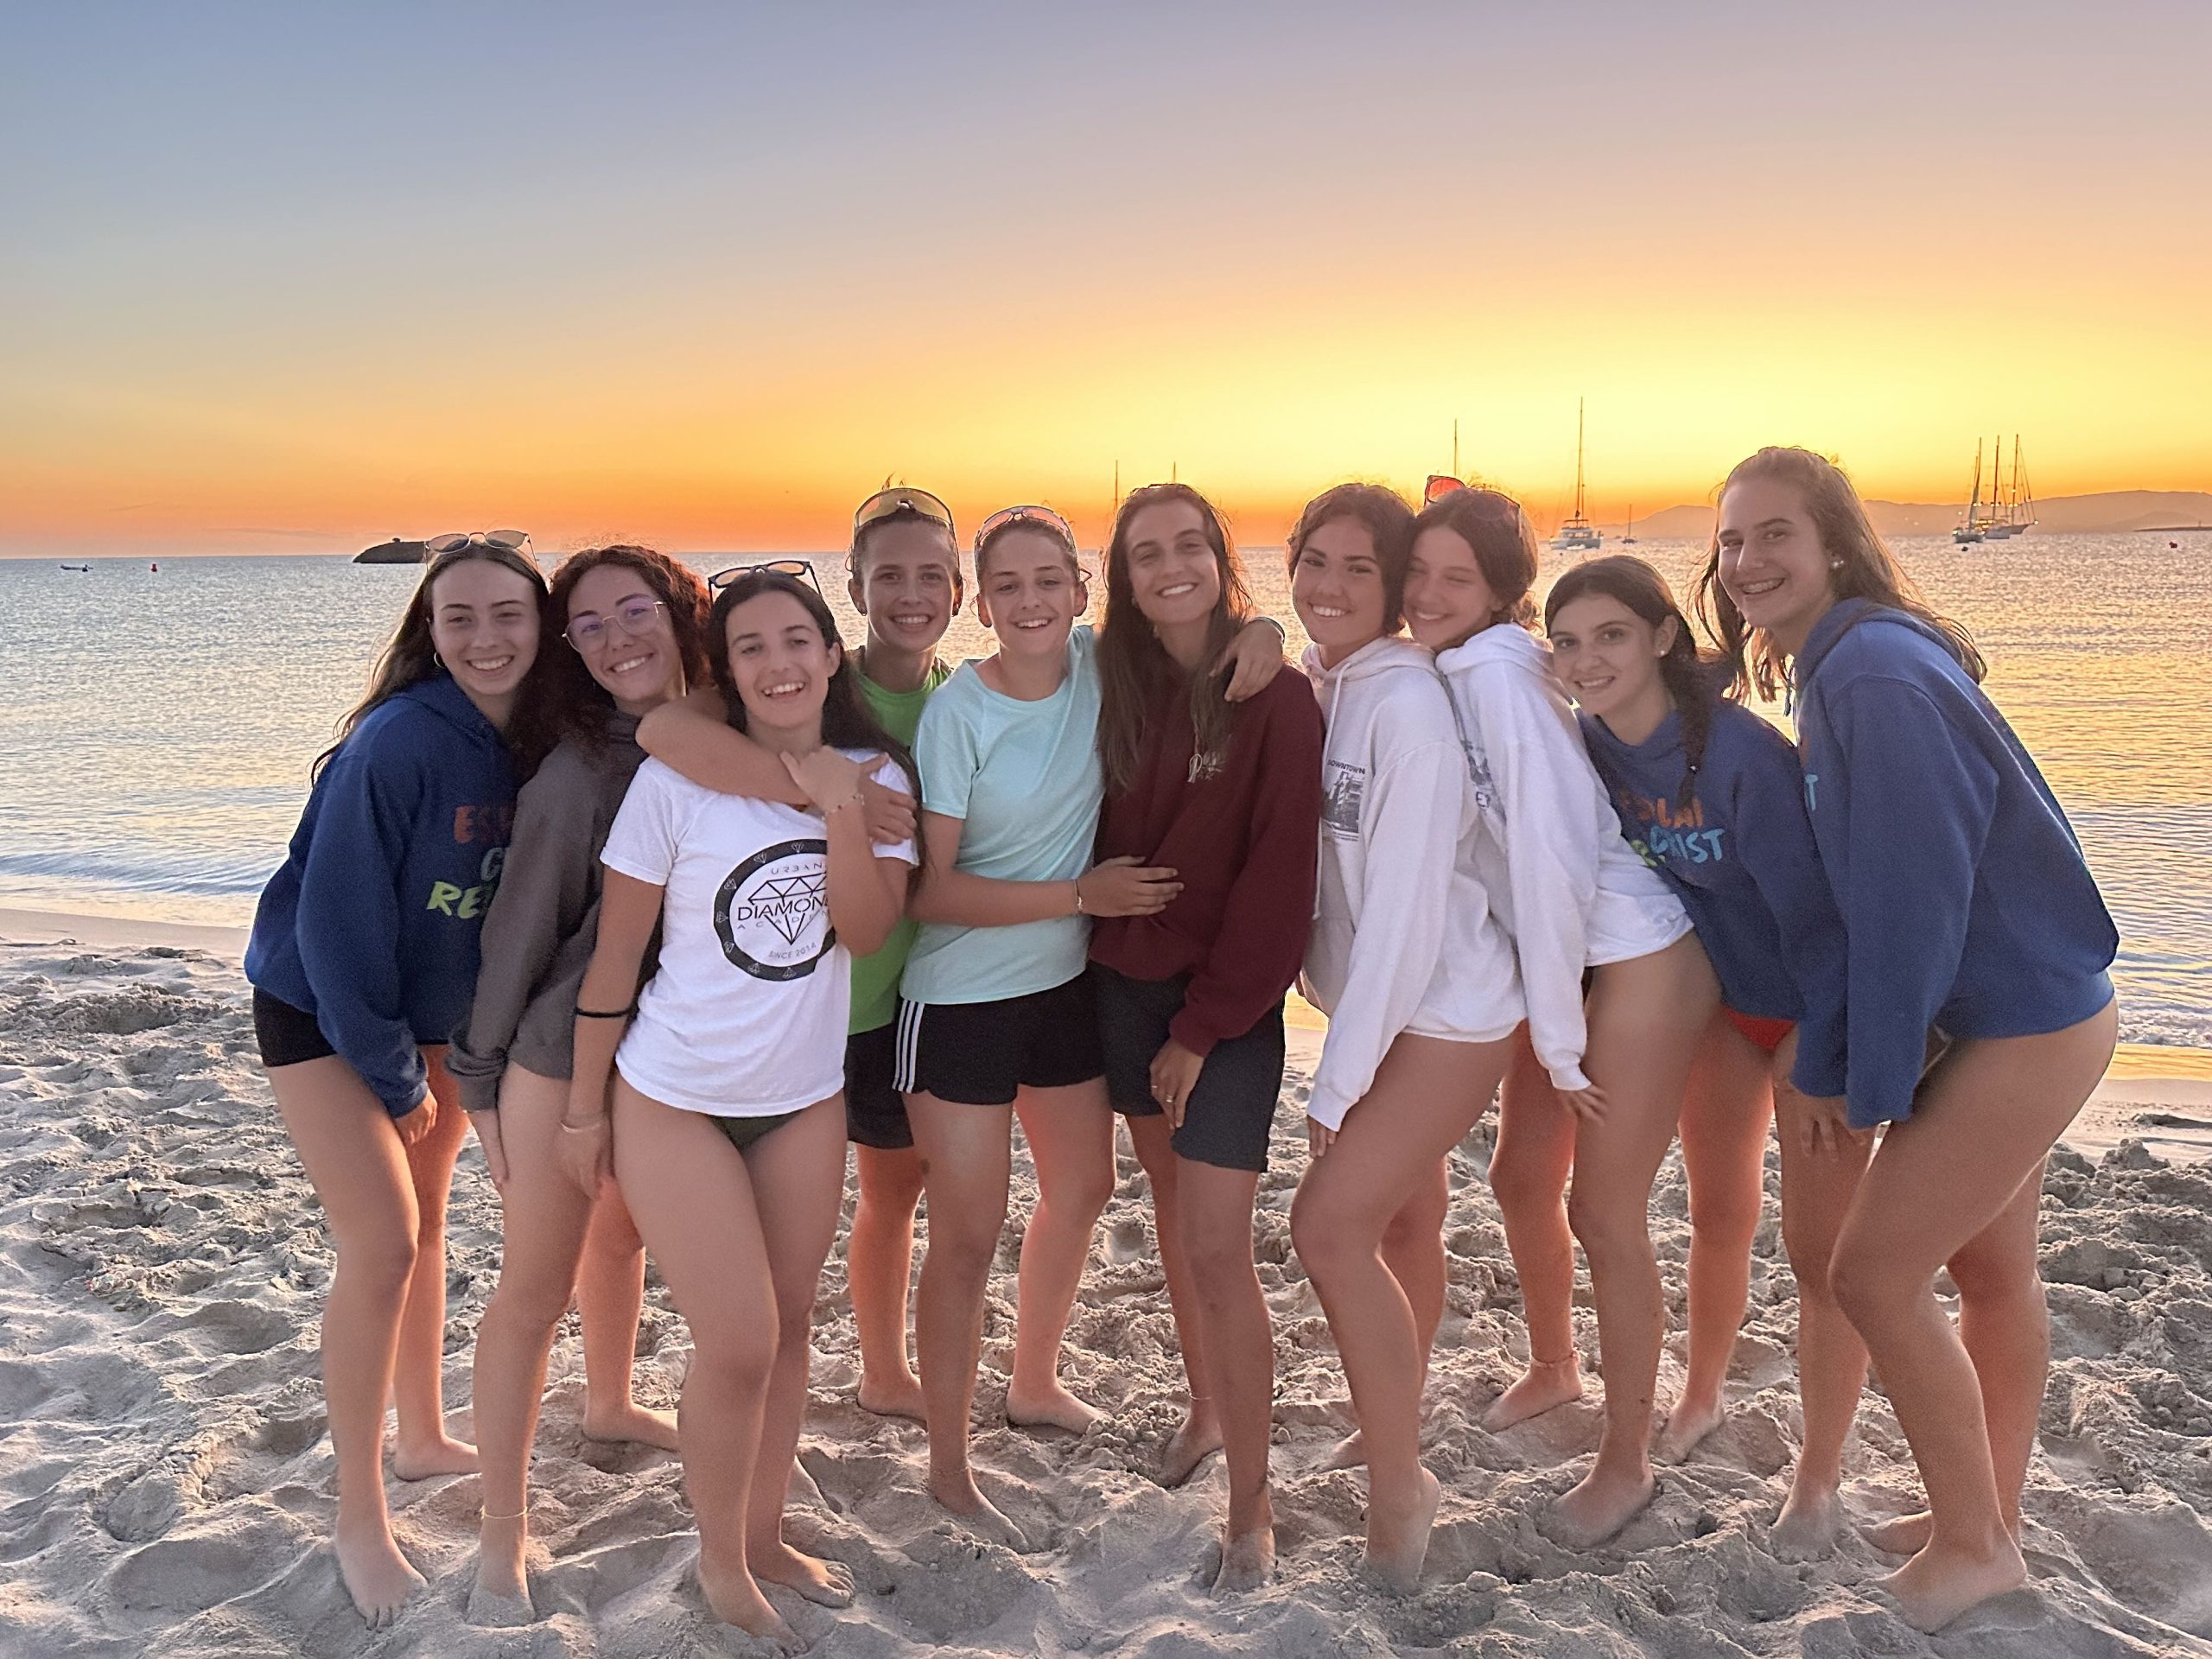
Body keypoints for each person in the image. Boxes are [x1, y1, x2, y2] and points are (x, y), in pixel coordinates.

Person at [1699, 446, 2118, 1631]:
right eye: (1730, 540)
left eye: (1775, 534)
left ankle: (1977, 1547)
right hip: (2019, 1006)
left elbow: (1909, 901)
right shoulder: (1846, 660)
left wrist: (1865, 1078)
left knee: (1871, 1275)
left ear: (1836, 546)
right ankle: (1983, 1514)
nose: (1747, 560)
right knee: (1988, 1274)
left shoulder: (1872, 674)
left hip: (2020, 1022)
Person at [896, 504, 1284, 1547]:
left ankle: (1032, 1381)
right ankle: (948, 1467)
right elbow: (931, 890)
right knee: (967, 1234)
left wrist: (1264, 629)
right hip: (960, 998)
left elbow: (1198, 640)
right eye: (1006, 586)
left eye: (1047, 581)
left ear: (1079, 591)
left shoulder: (1100, 669)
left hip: (1064, 987)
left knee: (1084, 1188)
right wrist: (1079, 895)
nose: (1029, 601)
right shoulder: (960, 714)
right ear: (982, 606)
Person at [558, 569, 917, 1647]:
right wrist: (583, 1111)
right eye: (751, 646)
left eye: (797, 639)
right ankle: (717, 1559)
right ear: (727, 668)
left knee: (791, 1327)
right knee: (739, 1340)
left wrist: (838, 802)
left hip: (801, 1100)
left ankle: (761, 1536)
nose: (779, 663)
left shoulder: (879, 780)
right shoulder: (676, 782)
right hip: (673, 1097)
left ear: (831, 653)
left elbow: (864, 932)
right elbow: (617, 955)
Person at [244, 531, 550, 1627]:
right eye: (458, 617)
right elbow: (336, 927)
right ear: (430, 630)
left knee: (426, 1227)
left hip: (435, 1020)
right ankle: (358, 1517)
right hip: (321, 1008)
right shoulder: (400, 741)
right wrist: (390, 1070)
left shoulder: (540, 739)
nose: (485, 637)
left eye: (507, 614)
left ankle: (422, 1437)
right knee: (380, 1241)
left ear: (541, 623)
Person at [1406, 486, 1716, 1548]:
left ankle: (1627, 1462)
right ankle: (1553, 1366)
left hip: (1633, 952)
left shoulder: (1498, 676)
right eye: (1417, 574)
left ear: (1502, 591)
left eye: (1457, 577)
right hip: (1564, 958)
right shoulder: (1456, 668)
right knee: (1518, 1177)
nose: (1428, 594)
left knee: (1605, 1212)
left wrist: (1555, 1034)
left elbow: (1546, 856)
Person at [1545, 554, 1858, 1552]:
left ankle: (1817, 1476)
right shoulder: (1589, 743)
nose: (1587, 660)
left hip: (1808, 1010)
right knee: (1717, 1210)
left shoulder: (1739, 755)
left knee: (1820, 1257)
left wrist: (1819, 1052)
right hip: (1722, 1000)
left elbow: (1820, 918)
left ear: (1661, 638)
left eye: (1611, 635)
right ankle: (1704, 1396)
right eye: (1566, 642)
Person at [638, 487, 959, 1423]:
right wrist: (818, 789)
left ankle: (882, 1369)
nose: (910, 594)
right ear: (854, 592)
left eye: (930, 574)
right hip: (774, 1014)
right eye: (888, 575)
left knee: (893, 1188)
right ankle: (623, 1394)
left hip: (891, 993)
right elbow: (666, 730)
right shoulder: (804, 668)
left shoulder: (959, 696)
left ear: (958, 587)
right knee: (698, 1247)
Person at [447, 545, 713, 1623]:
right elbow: (518, 937)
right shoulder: (577, 774)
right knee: (533, 1291)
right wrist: (478, 1080)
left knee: (625, 1236)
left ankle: (610, 1404)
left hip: (679, 1055)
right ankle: (499, 1540)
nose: (615, 640)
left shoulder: (730, 734)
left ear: (683, 613)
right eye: (588, 626)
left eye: (634, 611)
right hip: (559, 1057)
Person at [1285, 482, 1524, 1590]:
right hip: (1384, 1003)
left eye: (1359, 570)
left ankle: (1399, 1485)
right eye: (1313, 562)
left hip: (1447, 1011)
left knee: (1328, 1227)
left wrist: (1335, 1084)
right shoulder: (1330, 682)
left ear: (1389, 591)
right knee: (1406, 1221)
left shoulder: (1410, 713)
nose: (1329, 587)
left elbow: (1405, 916)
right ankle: (1395, 1414)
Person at [1090, 482, 1323, 1590]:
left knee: (1222, 1245)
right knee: (1176, 1219)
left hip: (1224, 1007)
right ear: (1124, 580)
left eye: (1190, 546)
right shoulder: (1109, 683)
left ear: (1222, 560)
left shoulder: (1275, 697)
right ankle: (1204, 1405)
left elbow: (1281, 885)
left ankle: (1252, 1506)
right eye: (1147, 553)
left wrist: (1204, 1027)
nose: (1170, 566)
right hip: (1117, 991)